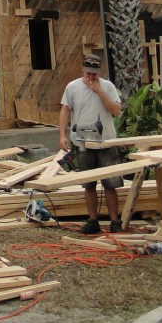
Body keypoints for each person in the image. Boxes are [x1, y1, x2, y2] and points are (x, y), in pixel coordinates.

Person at [59, 54, 124, 234]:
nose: (91, 77)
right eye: (88, 74)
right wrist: (62, 135)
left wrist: (99, 91)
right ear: (83, 70)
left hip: (106, 142)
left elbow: (116, 111)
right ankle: (92, 220)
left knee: (110, 183)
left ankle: (114, 221)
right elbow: (65, 110)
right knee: (88, 184)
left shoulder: (108, 86)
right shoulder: (72, 87)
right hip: (83, 143)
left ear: (99, 72)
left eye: (94, 74)